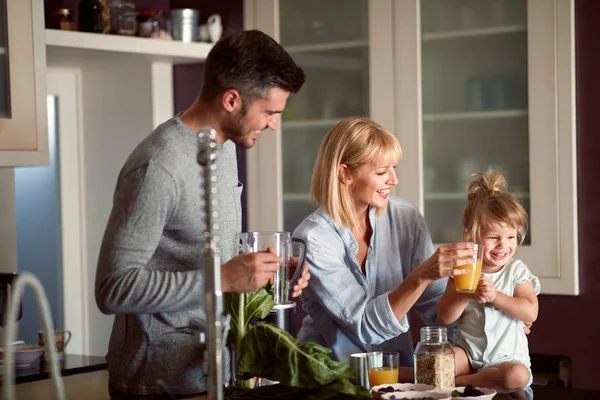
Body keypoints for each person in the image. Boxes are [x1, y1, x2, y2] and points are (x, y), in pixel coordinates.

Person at [95, 30, 309, 398]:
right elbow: (112, 289)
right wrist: (223, 277)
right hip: (156, 385)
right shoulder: (158, 166)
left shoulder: (221, 149)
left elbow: (205, 252)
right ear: (231, 100)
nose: (274, 124)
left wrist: (259, 275)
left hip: (213, 375)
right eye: (270, 112)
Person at [292, 117, 476, 379]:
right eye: (381, 172)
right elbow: (365, 325)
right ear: (345, 173)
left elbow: (436, 305)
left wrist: (491, 323)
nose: (394, 179)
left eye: (393, 168)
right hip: (330, 379)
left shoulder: (405, 216)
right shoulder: (313, 238)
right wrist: (421, 275)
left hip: (395, 375)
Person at [436, 170, 540, 392]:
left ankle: (460, 383)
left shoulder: (516, 271)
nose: (504, 245)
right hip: (468, 354)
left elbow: (530, 312)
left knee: (518, 377)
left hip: (508, 358)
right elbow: (445, 316)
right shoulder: (463, 270)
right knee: (435, 363)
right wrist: (465, 291)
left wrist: (495, 297)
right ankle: (477, 380)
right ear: (471, 237)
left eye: (511, 237)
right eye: (493, 237)